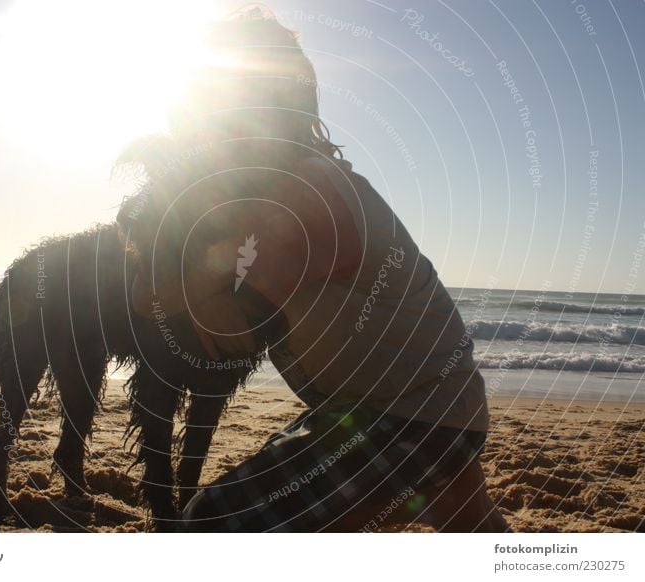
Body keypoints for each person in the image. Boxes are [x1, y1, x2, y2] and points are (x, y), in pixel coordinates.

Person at [125, 6, 509, 532]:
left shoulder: (310, 190)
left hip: (413, 416)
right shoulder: (256, 202)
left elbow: (227, 321)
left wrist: (188, 275)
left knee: (218, 521)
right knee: (472, 528)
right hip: (397, 409)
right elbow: (155, 296)